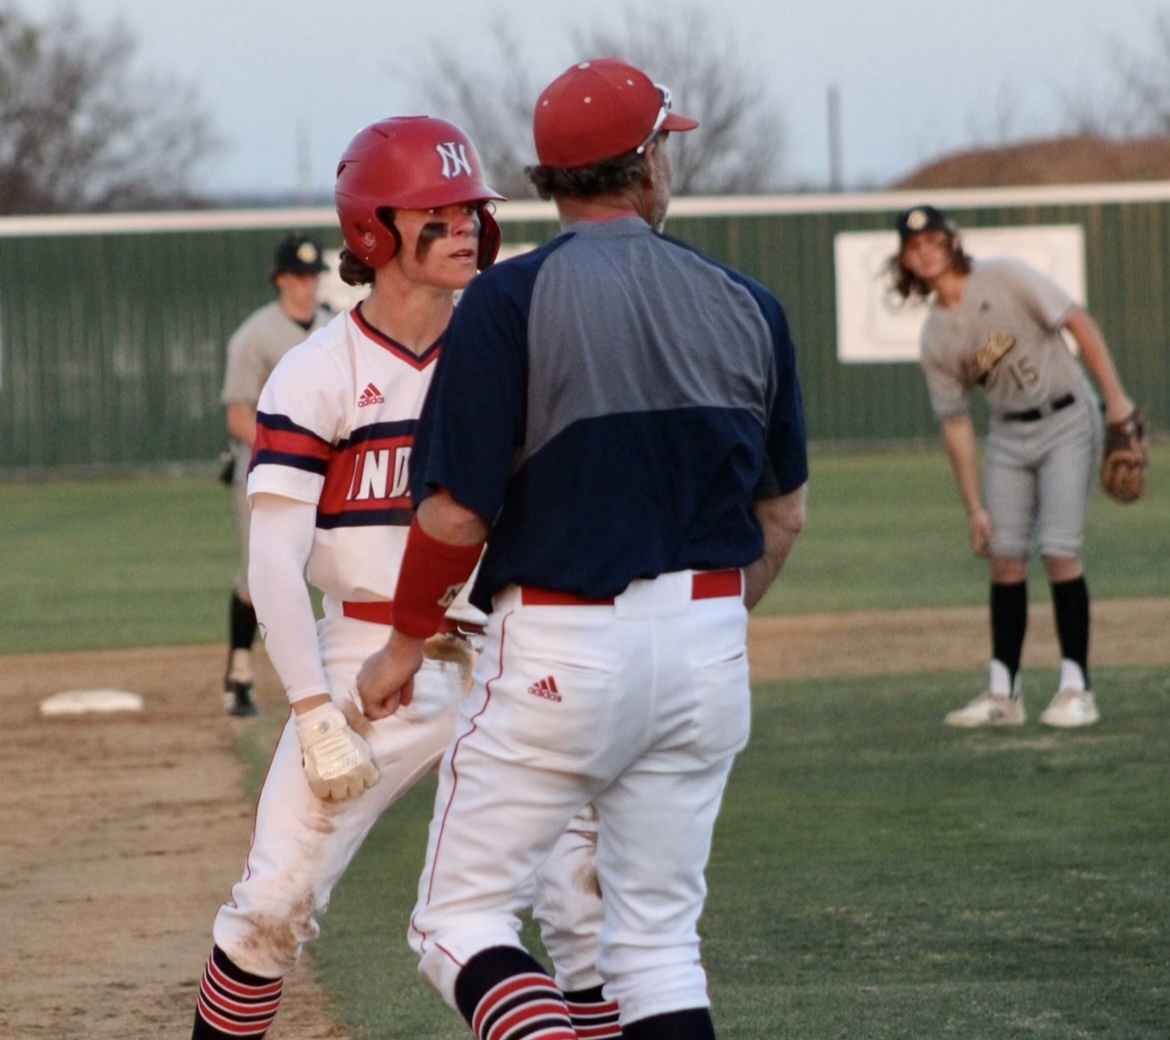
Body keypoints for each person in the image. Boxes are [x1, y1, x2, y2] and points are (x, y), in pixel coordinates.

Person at [357, 60, 808, 1040]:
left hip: (563, 646)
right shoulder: (749, 303)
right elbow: (784, 517)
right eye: (665, 145)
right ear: (646, 163)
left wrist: (399, 645)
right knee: (655, 947)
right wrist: (698, 630)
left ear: (550, 178)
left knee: (459, 919)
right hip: (708, 644)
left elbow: (453, 515)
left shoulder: (509, 300)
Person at [191, 116, 615, 1040]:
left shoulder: (511, 342)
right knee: (272, 906)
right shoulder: (317, 371)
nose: (468, 225)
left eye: (471, 208)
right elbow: (273, 558)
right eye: (440, 211)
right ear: (375, 231)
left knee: (586, 904)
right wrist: (308, 708)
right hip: (369, 657)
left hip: (510, 642)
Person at [889, 203, 1138, 728]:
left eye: (932, 240)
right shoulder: (935, 336)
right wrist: (973, 505)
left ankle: (1077, 687)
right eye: (914, 248)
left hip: (1068, 418)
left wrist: (1116, 402)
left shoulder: (1005, 277)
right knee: (1005, 557)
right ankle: (1004, 693)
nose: (925, 252)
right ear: (906, 263)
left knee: (1059, 551)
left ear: (950, 242)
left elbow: (1077, 320)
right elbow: (955, 422)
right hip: (1007, 434)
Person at [219, 231, 331, 716]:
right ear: (280, 279)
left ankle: (322, 677)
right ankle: (239, 675)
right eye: (298, 275)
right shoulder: (255, 335)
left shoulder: (335, 326)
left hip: (328, 473)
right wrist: (293, 448)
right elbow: (238, 415)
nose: (307, 285)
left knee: (331, 572)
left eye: (313, 275)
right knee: (259, 575)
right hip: (267, 471)